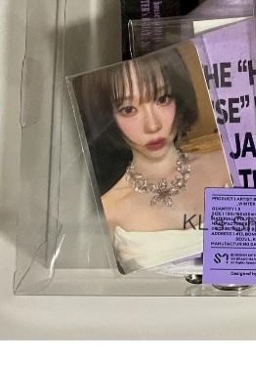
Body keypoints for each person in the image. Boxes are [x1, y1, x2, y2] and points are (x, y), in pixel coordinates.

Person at [74, 47, 231, 274]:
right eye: (128, 109)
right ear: (106, 116)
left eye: (162, 99)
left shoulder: (230, 165)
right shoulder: (107, 212)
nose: (153, 125)